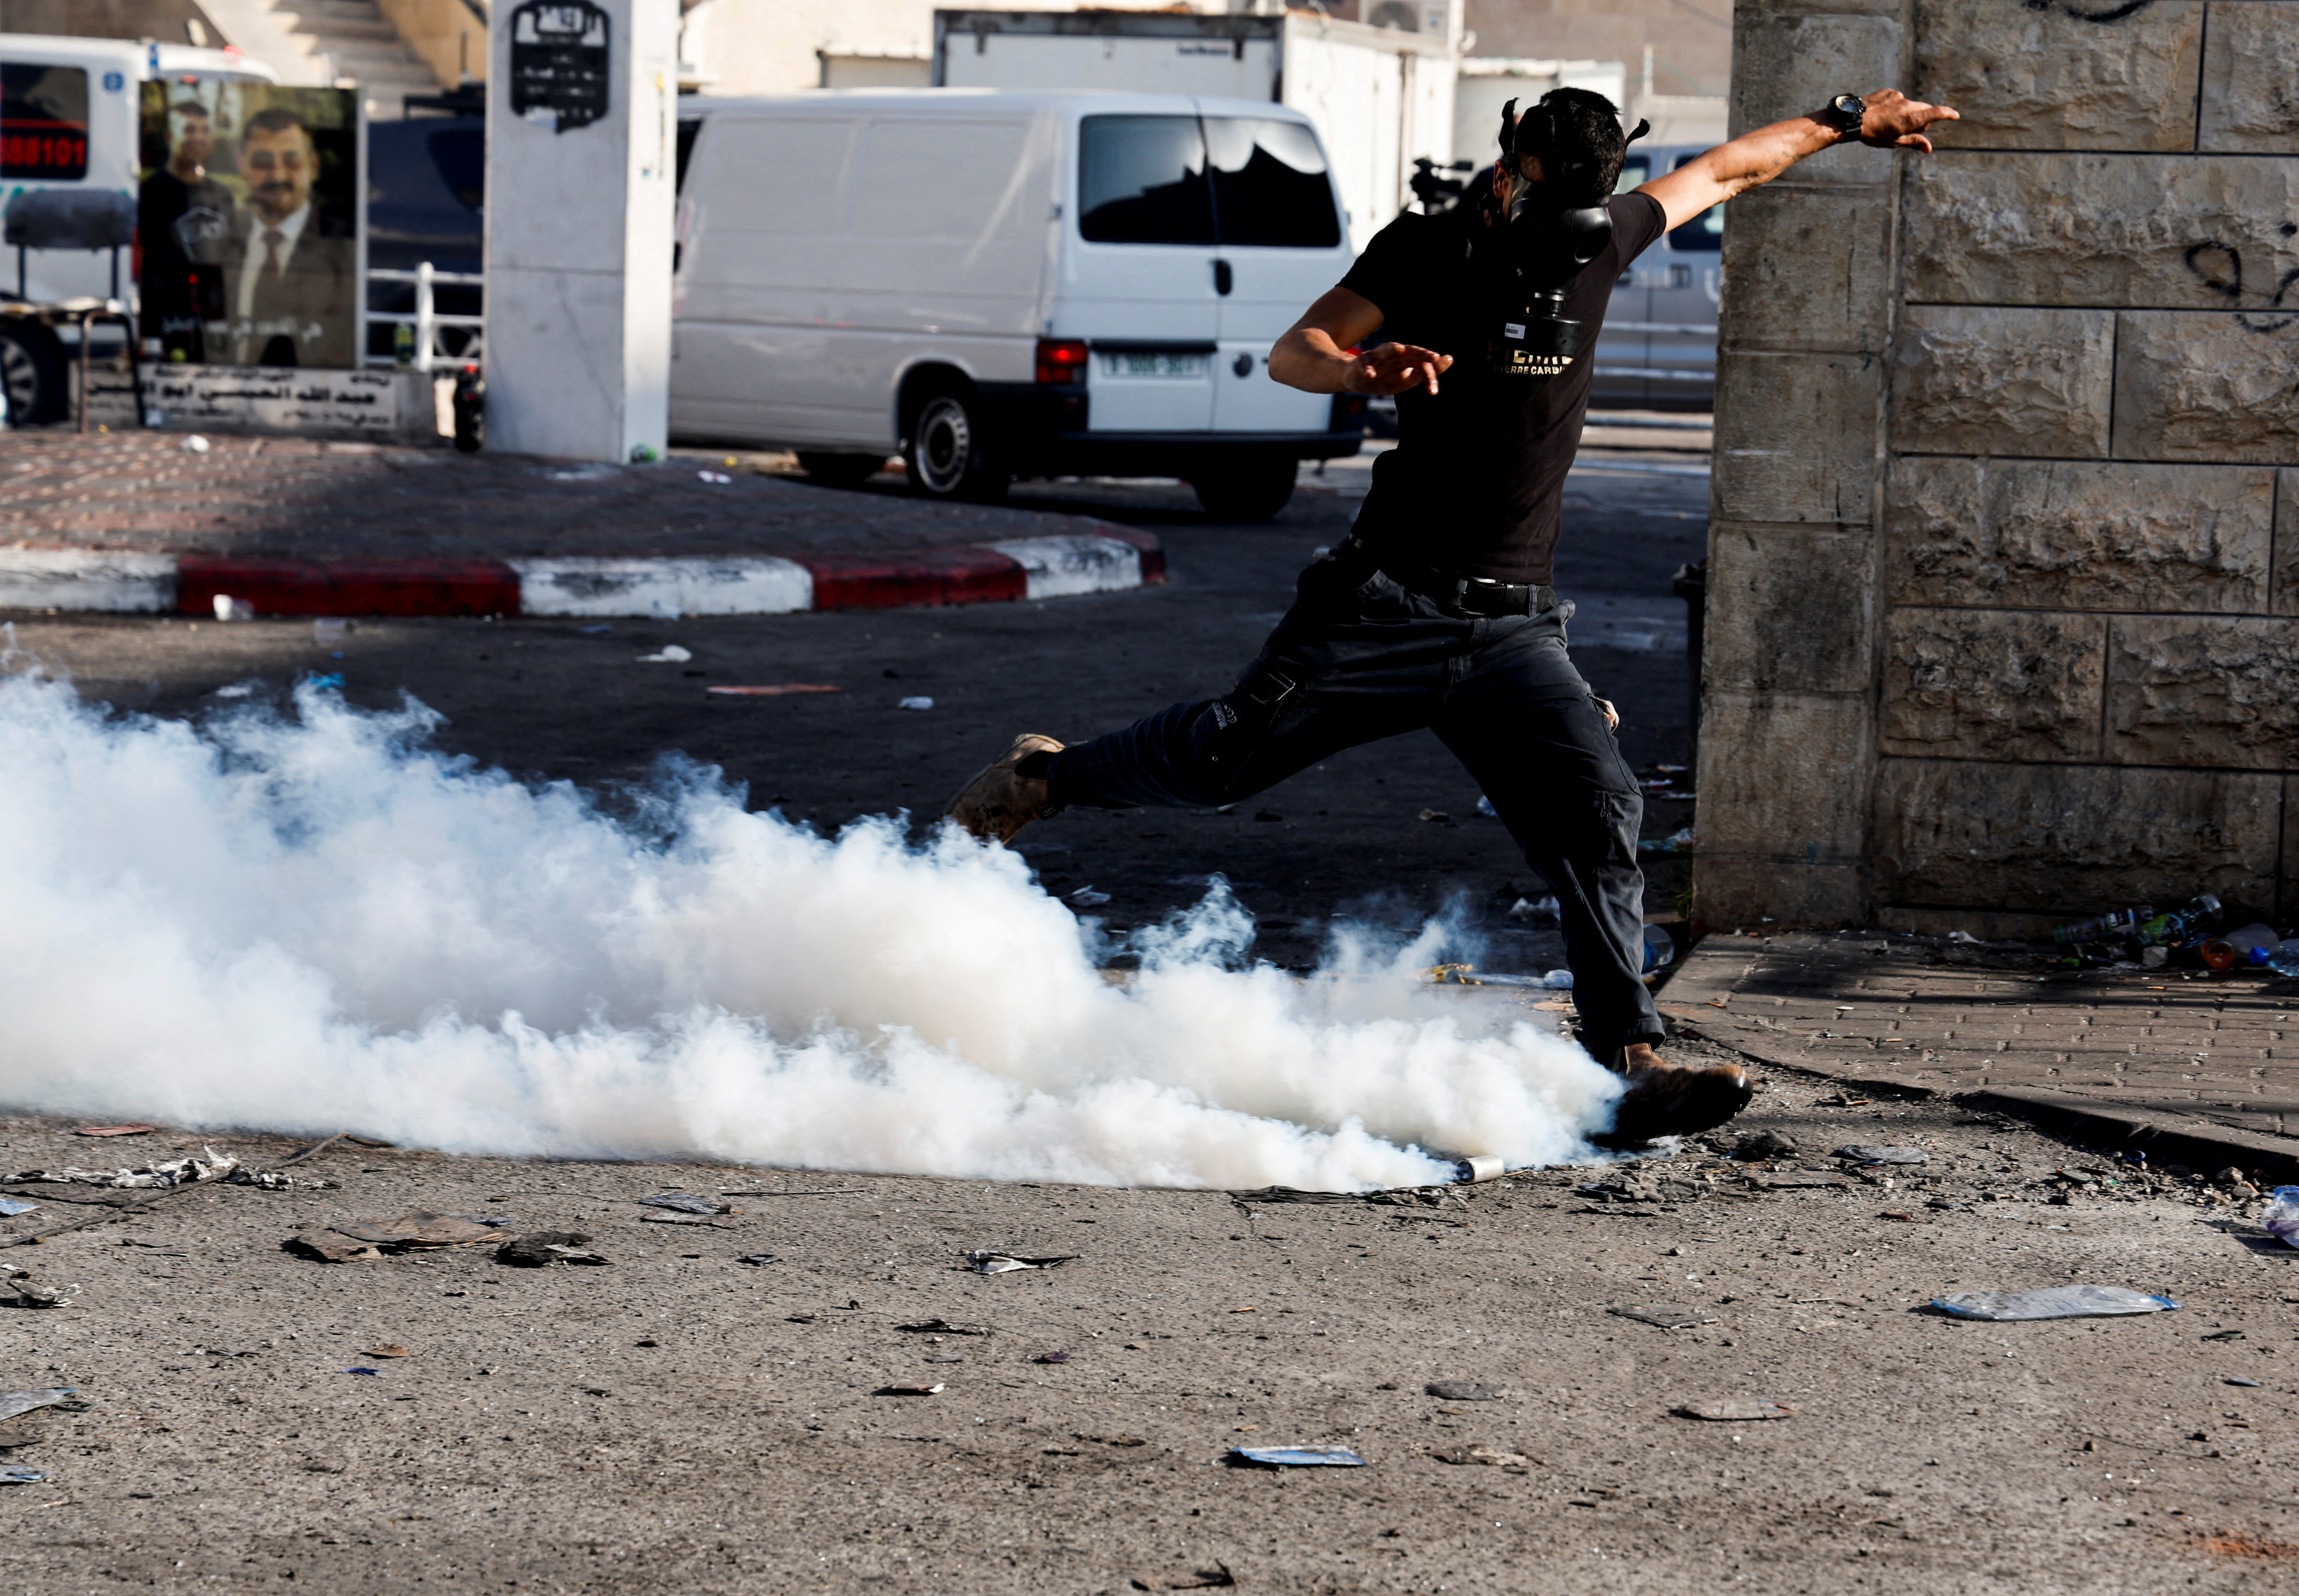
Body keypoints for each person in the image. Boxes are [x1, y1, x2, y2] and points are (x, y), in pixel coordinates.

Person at [945, 85, 1961, 1146]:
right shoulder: (1422, 250)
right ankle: (1040, 778)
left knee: (1599, 808)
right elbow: (1290, 352)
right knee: (1217, 764)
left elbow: (1725, 169)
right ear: (1508, 158)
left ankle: (1626, 1060)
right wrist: (1355, 365)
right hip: (1382, 604)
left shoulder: (1600, 239)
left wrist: (1843, 121)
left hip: (1513, 628)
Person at [227, 105, 356, 368]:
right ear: (243, 164)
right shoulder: (221, 239)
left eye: (292, 162)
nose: (277, 176)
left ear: (314, 166)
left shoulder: (344, 247)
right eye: (263, 163)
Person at [138, 99, 237, 362]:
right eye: (189, 130)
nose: (198, 138)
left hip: (212, 329)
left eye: (205, 130)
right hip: (166, 326)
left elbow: (226, 265)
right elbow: (148, 266)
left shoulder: (222, 196)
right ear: (171, 136)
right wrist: (150, 337)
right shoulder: (151, 192)